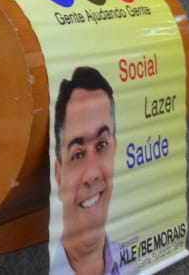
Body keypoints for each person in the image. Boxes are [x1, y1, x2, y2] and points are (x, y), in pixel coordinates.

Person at [51, 66, 134, 275]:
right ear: (59, 176)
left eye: (101, 145)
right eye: (78, 154)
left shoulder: (132, 264)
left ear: (114, 149)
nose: (92, 174)